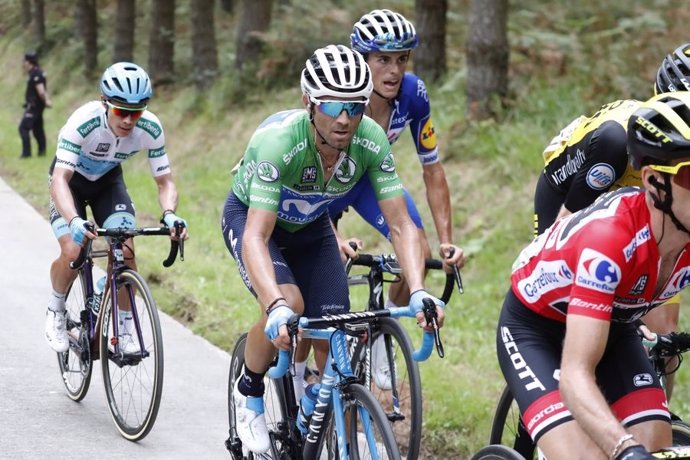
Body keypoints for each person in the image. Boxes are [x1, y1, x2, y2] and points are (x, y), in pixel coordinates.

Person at [221, 44, 446, 454]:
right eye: (332, 105)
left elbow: (402, 224)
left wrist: (416, 290)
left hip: (311, 229)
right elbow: (255, 235)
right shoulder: (279, 143)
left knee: (333, 333)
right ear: (309, 101)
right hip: (255, 223)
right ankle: (248, 392)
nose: (344, 118)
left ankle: (314, 410)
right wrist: (273, 306)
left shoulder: (371, 141)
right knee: (289, 300)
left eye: (355, 107)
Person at [497, 91, 690, 460]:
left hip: (614, 323)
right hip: (535, 327)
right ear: (654, 184)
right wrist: (622, 448)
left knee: (657, 442)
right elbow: (575, 374)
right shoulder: (610, 240)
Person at [310, 8, 462, 393]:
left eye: (401, 59)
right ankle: (310, 377)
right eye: (383, 60)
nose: (394, 71)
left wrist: (446, 239)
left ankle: (381, 334)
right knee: (323, 280)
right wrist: (331, 236)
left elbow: (432, 168)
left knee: (418, 248)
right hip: (320, 182)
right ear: (361, 60)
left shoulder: (413, 94)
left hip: (366, 181)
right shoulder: (339, 96)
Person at [532, 42, 690, 400]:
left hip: (649, 211)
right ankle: (551, 397)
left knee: (664, 332)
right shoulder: (618, 141)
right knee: (569, 313)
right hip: (571, 196)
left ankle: (655, 405)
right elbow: (568, 227)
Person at [44, 62, 188, 354]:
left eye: (137, 112)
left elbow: (165, 182)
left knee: (126, 251)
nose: (129, 120)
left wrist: (170, 214)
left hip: (107, 182)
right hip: (70, 183)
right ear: (104, 102)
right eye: (121, 111)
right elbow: (60, 179)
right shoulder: (83, 122)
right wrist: (73, 220)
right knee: (74, 250)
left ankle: (124, 328)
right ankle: (56, 309)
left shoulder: (150, 127)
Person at [19, 51, 52, 158]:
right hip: (36, 106)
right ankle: (42, 153)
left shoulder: (36, 74)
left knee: (23, 128)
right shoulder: (35, 72)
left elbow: (41, 91)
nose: (23, 63)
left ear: (29, 62)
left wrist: (46, 100)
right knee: (38, 129)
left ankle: (26, 154)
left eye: (24, 61)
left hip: (34, 107)